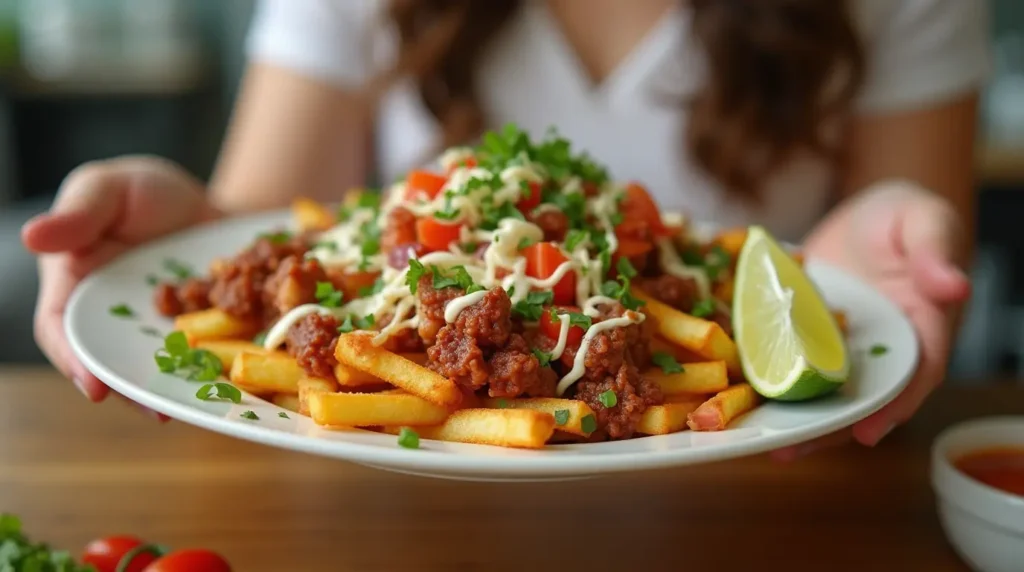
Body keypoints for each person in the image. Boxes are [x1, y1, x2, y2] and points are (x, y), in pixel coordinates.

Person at [22, 0, 988, 456]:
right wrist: (185, 233)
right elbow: (267, 225)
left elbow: (880, 247)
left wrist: (870, 250)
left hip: (773, 504)